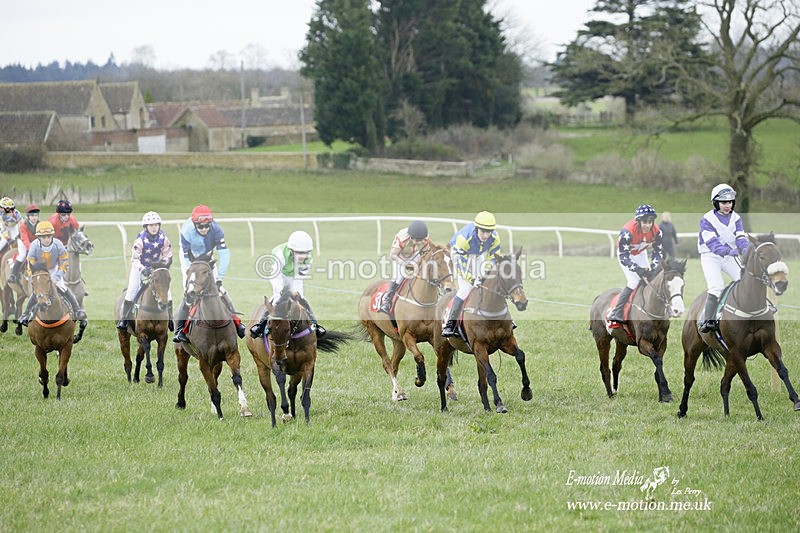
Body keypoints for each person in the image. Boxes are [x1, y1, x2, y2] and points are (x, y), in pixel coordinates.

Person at [173, 205, 246, 342]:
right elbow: (186, 257)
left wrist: (219, 277)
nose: (205, 229)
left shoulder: (217, 230)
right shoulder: (186, 231)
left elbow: (224, 254)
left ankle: (237, 323)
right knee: (190, 290)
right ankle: (179, 330)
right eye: (201, 226)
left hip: (207, 255)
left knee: (220, 289)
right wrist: (193, 276)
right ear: (195, 224)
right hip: (191, 257)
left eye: (207, 226)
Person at [249, 230, 326, 338]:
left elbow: (298, 278)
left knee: (302, 300)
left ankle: (315, 324)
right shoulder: (279, 253)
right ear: (292, 250)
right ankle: (260, 325)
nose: (302, 256)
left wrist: (296, 294)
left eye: (304, 253)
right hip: (278, 274)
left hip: (294, 276)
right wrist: (282, 291)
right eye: (299, 252)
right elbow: (276, 277)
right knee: (277, 299)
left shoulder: (309, 258)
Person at [697, 183, 750, 333]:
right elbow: (713, 244)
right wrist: (730, 251)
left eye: (730, 202)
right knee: (717, 286)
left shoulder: (737, 218)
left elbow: (740, 237)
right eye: (724, 202)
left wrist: (745, 248)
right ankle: (707, 320)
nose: (728, 205)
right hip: (710, 257)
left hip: (729, 255)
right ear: (716, 202)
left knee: (744, 279)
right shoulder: (706, 219)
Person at [442, 211, 501, 337]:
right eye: (483, 231)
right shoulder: (464, 238)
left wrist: (485, 274)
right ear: (476, 228)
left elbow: (494, 258)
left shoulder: (494, 238)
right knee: (466, 289)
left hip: (477, 254)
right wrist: (472, 279)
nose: (486, 235)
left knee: (488, 282)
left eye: (489, 232)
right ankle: (450, 324)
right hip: (460, 255)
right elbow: (461, 265)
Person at [18, 220, 87, 325]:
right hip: (40, 271)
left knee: (63, 287)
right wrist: (33, 274)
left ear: (52, 236)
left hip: (54, 269)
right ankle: (26, 314)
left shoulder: (58, 244)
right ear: (39, 238)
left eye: (48, 236)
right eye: (43, 237)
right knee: (36, 292)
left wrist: (57, 276)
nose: (46, 239)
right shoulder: (34, 245)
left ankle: (78, 310)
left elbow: (64, 262)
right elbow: (30, 261)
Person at [117, 211, 174, 331]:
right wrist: (144, 270)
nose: (154, 228)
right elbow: (134, 259)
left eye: (156, 225)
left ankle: (170, 318)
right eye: (151, 225)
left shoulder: (164, 239)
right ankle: (124, 319)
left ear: (159, 225)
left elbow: (168, 255)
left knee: (167, 292)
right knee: (132, 289)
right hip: (140, 268)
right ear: (146, 227)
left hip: (157, 269)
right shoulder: (140, 240)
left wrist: (162, 267)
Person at [608, 204, 664, 324]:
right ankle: (616, 311)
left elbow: (658, 253)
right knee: (634, 281)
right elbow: (624, 256)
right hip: (626, 255)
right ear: (638, 221)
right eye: (644, 221)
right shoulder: (627, 231)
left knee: (650, 279)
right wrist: (638, 269)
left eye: (650, 222)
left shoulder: (657, 231)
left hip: (640, 253)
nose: (647, 225)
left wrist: (653, 268)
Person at [380, 220, 432, 314]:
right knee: (399, 276)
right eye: (415, 240)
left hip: (414, 254)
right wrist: (405, 264)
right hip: (399, 256)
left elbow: (425, 252)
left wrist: (420, 263)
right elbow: (393, 255)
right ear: (410, 236)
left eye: (420, 240)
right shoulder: (402, 238)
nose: (417, 242)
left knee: (422, 271)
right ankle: (387, 300)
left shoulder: (426, 237)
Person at [1, 196, 29, 284]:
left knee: (16, 238)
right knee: (4, 241)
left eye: (11, 208)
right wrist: (7, 238)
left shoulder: (16, 213)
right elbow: (2, 229)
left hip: (13, 226)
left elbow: (21, 223)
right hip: (3, 227)